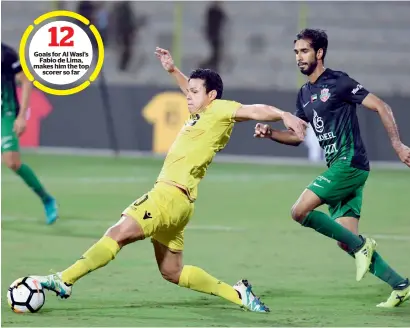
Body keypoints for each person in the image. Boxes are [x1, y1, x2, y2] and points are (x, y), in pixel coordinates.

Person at [31, 47, 308, 313]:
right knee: (172, 272)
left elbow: (255, 110)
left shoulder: (220, 110)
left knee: (117, 234)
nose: (188, 94)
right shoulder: (202, 113)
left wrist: (283, 114)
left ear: (212, 95)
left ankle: (64, 280)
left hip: (167, 197)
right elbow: (191, 90)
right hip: (181, 204)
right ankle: (237, 294)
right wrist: (174, 70)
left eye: (195, 92)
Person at [254, 29, 410, 308]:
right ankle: (400, 285)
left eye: (304, 51)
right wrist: (271, 134)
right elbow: (298, 135)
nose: (299, 57)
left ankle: (364, 246)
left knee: (299, 211)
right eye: (296, 52)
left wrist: (398, 145)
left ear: (319, 53)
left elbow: (382, 107)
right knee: (345, 240)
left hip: (348, 163)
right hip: (340, 166)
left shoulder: (338, 82)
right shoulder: (304, 93)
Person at [1, 43, 58, 224]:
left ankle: (46, 199)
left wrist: (22, 116)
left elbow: (26, 80)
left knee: (12, 161)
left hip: (6, 112)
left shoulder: (6, 54)